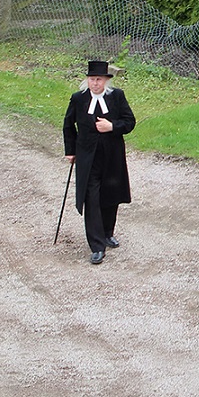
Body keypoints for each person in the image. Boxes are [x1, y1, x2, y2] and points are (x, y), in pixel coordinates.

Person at [63, 59, 135, 265]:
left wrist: (112, 126)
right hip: (87, 156)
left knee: (110, 194)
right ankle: (96, 245)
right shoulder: (78, 99)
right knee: (91, 198)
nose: (95, 83)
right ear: (87, 81)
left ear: (106, 81)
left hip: (112, 154)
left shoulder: (117, 97)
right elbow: (68, 125)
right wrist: (70, 151)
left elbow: (129, 122)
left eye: (99, 79)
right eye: (92, 79)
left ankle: (107, 233)